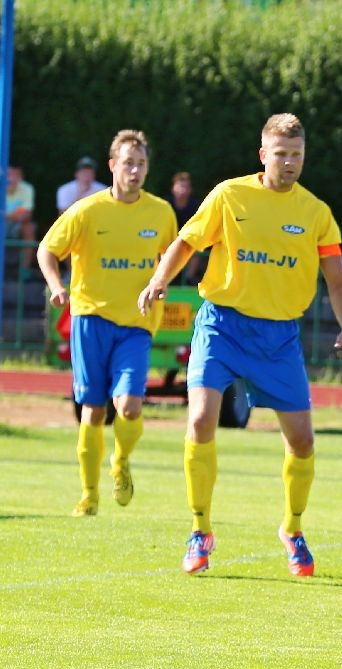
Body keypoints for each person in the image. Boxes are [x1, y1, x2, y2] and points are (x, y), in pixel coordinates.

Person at [137, 113, 342, 577]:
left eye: (297, 155)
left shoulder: (316, 212)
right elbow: (185, 243)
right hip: (222, 325)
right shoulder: (229, 194)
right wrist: (159, 280)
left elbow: (337, 279)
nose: (290, 162)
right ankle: (200, 530)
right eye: (281, 154)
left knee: (301, 441)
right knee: (201, 418)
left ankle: (293, 530)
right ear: (264, 155)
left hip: (279, 338)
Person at [37, 130, 178, 517]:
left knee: (130, 405)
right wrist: (56, 285)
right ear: (113, 166)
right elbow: (47, 249)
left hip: (136, 322)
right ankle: (89, 494)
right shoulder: (87, 211)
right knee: (93, 410)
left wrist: (160, 280)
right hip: (90, 319)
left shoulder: (161, 212)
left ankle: (121, 460)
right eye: (128, 163)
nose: (135, 171)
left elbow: (174, 255)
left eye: (142, 164)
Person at [166, 171, 206, 284]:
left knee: (197, 248)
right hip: (169, 240)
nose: (183, 190)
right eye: (180, 186)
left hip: (189, 241)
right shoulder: (165, 205)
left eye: (186, 187)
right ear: (173, 188)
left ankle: (188, 280)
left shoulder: (196, 205)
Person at [5, 165, 38, 275]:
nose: (12, 179)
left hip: (16, 225)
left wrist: (5, 215)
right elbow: (21, 214)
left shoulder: (27, 189)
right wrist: (16, 214)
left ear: (21, 177)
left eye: (16, 175)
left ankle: (24, 271)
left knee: (29, 228)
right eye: (9, 175)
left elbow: (27, 216)